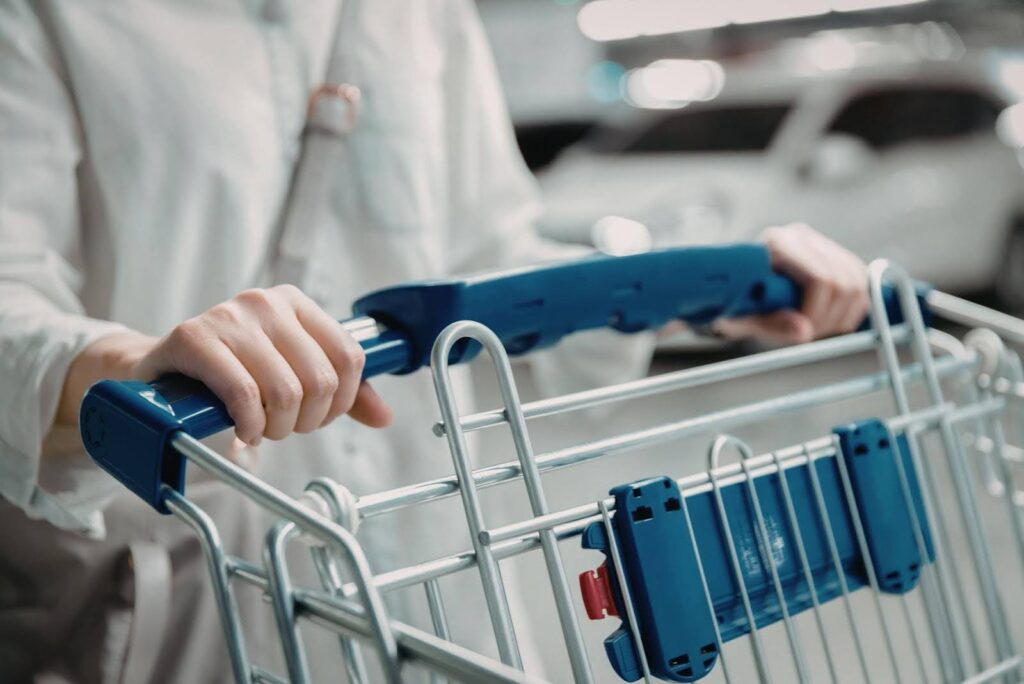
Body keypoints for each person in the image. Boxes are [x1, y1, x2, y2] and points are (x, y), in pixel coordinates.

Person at [0, 1, 870, 681]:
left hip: (444, 585)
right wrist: (131, 366)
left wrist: (707, 285)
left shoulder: (414, 10)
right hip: (206, 600)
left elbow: (493, 263)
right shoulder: (50, 15)